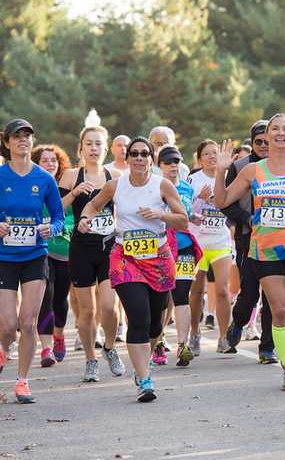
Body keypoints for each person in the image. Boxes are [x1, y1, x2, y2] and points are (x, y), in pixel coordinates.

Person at [215, 113, 285, 391]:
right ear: (267, 134)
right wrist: (220, 171)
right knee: (278, 309)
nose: (279, 134)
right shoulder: (253, 170)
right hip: (265, 250)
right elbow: (223, 200)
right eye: (275, 129)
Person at [79, 136, 188, 402]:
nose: (139, 158)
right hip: (125, 257)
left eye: (144, 154)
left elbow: (183, 221)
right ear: (127, 158)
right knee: (137, 316)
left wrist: (160, 214)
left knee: (153, 325)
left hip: (158, 259)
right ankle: (144, 380)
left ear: (151, 158)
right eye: (134, 154)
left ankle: (143, 363)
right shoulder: (115, 186)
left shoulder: (162, 185)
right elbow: (93, 204)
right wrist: (85, 218)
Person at [0, 119, 64, 403]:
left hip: (35, 256)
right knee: (7, 325)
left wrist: (53, 228)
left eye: (27, 136)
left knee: (27, 323)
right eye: (17, 136)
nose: (23, 140)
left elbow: (60, 218)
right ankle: (4, 348)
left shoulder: (44, 179)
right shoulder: (1, 176)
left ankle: (22, 381)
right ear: (7, 143)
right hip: (4, 257)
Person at [59, 126, 125, 382]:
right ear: (81, 148)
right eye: (89, 144)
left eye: (98, 143)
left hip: (109, 247)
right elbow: (57, 210)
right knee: (87, 311)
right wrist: (75, 193)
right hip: (81, 249)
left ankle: (109, 347)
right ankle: (90, 359)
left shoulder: (115, 175)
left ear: (105, 148)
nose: (94, 148)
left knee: (109, 307)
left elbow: (124, 208)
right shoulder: (71, 176)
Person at [222, 120, 278, 364]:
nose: (264, 146)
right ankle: (238, 322)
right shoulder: (239, 166)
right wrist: (247, 219)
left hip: (278, 239)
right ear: (252, 142)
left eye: (268, 141)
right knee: (249, 294)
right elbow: (226, 203)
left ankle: (267, 347)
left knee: (273, 296)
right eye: (259, 142)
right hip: (248, 238)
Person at [187, 140, 235, 353]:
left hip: (220, 241)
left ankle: (224, 337)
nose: (211, 157)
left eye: (215, 153)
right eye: (206, 154)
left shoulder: (227, 178)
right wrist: (200, 199)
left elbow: (232, 208)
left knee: (223, 290)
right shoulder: (192, 179)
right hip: (197, 242)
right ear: (199, 159)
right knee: (196, 292)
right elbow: (186, 210)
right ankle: (194, 333)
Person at [157, 145, 202, 366]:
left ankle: (182, 346)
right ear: (159, 165)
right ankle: (159, 341)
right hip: (160, 248)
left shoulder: (186, 187)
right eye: (167, 162)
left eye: (176, 161)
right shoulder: (154, 187)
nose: (173, 166)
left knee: (182, 294)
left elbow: (185, 212)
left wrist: (193, 217)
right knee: (161, 298)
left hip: (184, 247)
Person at [32, 144, 74, 367]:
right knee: (45, 297)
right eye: (44, 160)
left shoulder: (66, 190)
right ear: (36, 164)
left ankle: (59, 334)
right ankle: (46, 348)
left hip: (64, 252)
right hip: (41, 250)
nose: (49, 164)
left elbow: (72, 218)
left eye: (53, 160)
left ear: (60, 165)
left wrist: (61, 226)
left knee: (60, 299)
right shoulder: (31, 187)